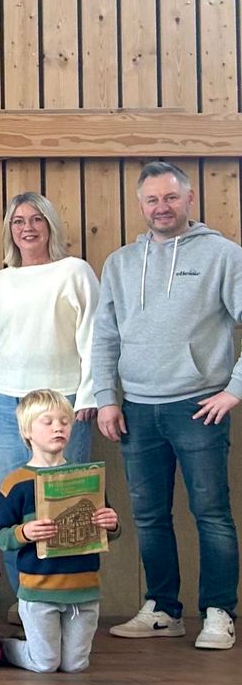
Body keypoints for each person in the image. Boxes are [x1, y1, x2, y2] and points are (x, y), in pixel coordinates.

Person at [93, 161, 240, 651]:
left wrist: (234, 389)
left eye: (171, 197)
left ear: (190, 199)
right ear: (140, 206)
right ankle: (163, 610)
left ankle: (219, 612)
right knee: (150, 516)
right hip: (136, 408)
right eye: (152, 199)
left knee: (211, 512)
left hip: (199, 406)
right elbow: (105, 336)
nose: (162, 207)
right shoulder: (119, 264)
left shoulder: (223, 255)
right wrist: (106, 397)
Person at [0, 193, 98, 486]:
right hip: (6, 401)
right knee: (11, 491)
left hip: (64, 399)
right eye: (19, 221)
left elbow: (93, 339)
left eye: (37, 219)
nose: (29, 227)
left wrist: (90, 393)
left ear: (50, 225)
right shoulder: (2, 281)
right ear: (10, 230)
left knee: (66, 493)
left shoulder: (75, 272)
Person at [0, 390, 121, 673]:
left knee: (75, 665)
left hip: (83, 590)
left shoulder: (86, 478)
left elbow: (108, 528)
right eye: (47, 421)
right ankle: (3, 646)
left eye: (65, 421)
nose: (58, 427)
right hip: (39, 590)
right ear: (27, 431)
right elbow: (0, 535)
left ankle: (45, 647)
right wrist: (24, 532)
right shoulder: (15, 483)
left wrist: (111, 524)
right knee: (46, 664)